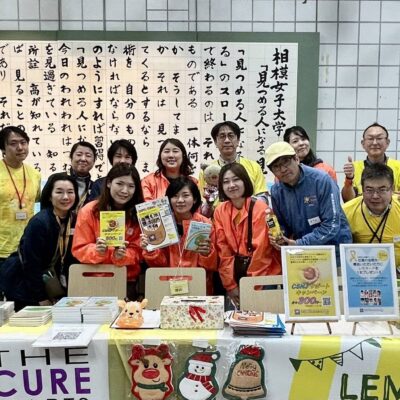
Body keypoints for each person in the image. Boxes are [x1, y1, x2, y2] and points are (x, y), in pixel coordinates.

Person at [0, 173, 79, 310]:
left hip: (50, 282)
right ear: (49, 196)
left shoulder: (74, 219)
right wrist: (41, 297)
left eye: (70, 192)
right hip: (25, 285)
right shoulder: (40, 222)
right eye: (59, 192)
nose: (66, 197)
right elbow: (31, 263)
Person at [265, 141, 352, 263]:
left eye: (286, 162)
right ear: (272, 172)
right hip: (303, 252)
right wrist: (279, 236)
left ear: (296, 159)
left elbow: (331, 225)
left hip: (334, 251)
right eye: (276, 167)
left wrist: (300, 244)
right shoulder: (276, 191)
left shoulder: (321, 180)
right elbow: (283, 225)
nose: (283, 169)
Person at [213, 163, 281, 307]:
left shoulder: (262, 209)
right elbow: (223, 250)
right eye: (226, 182)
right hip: (235, 274)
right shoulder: (220, 211)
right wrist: (230, 285)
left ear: (245, 181)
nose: (231, 185)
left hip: (264, 276)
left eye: (236, 179)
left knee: (261, 317)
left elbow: (262, 252)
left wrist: (251, 286)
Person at [72, 163, 143, 300]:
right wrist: (98, 250)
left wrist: (123, 255)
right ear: (109, 183)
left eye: (131, 186)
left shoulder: (138, 214)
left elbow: (139, 251)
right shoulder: (89, 211)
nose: (125, 190)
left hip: (126, 280)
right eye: (120, 184)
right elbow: (79, 249)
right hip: (93, 279)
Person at [140, 177, 217, 294]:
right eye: (175, 196)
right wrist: (150, 249)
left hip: (197, 285)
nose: (180, 200)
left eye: (185, 195)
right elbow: (159, 265)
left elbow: (211, 267)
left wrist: (206, 254)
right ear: (169, 199)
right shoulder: (161, 224)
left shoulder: (205, 224)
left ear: (195, 199)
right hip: (167, 285)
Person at [343, 164, 400, 273]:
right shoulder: (346, 211)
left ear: (392, 189)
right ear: (362, 189)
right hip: (360, 273)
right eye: (369, 190)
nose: (375, 196)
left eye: (382, 190)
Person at [0, 126, 41, 265]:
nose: (20, 147)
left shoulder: (35, 174)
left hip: (27, 247)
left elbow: (36, 200)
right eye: (13, 143)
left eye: (23, 142)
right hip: (2, 249)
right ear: (3, 148)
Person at [198, 121, 266, 197]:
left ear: (238, 140)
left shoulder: (254, 167)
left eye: (231, 136)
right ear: (215, 142)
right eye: (222, 136)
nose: (227, 140)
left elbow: (262, 197)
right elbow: (202, 200)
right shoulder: (207, 172)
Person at [342, 122, 400, 202]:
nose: (375, 143)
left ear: (387, 142)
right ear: (363, 143)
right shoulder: (354, 168)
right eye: (370, 138)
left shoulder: (398, 166)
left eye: (379, 138)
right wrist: (349, 178)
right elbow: (348, 200)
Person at [47, 140, 97, 213]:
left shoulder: (95, 186)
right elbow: (45, 207)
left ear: (94, 161)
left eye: (88, 156)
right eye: (79, 154)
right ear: (71, 157)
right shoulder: (56, 179)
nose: (83, 159)